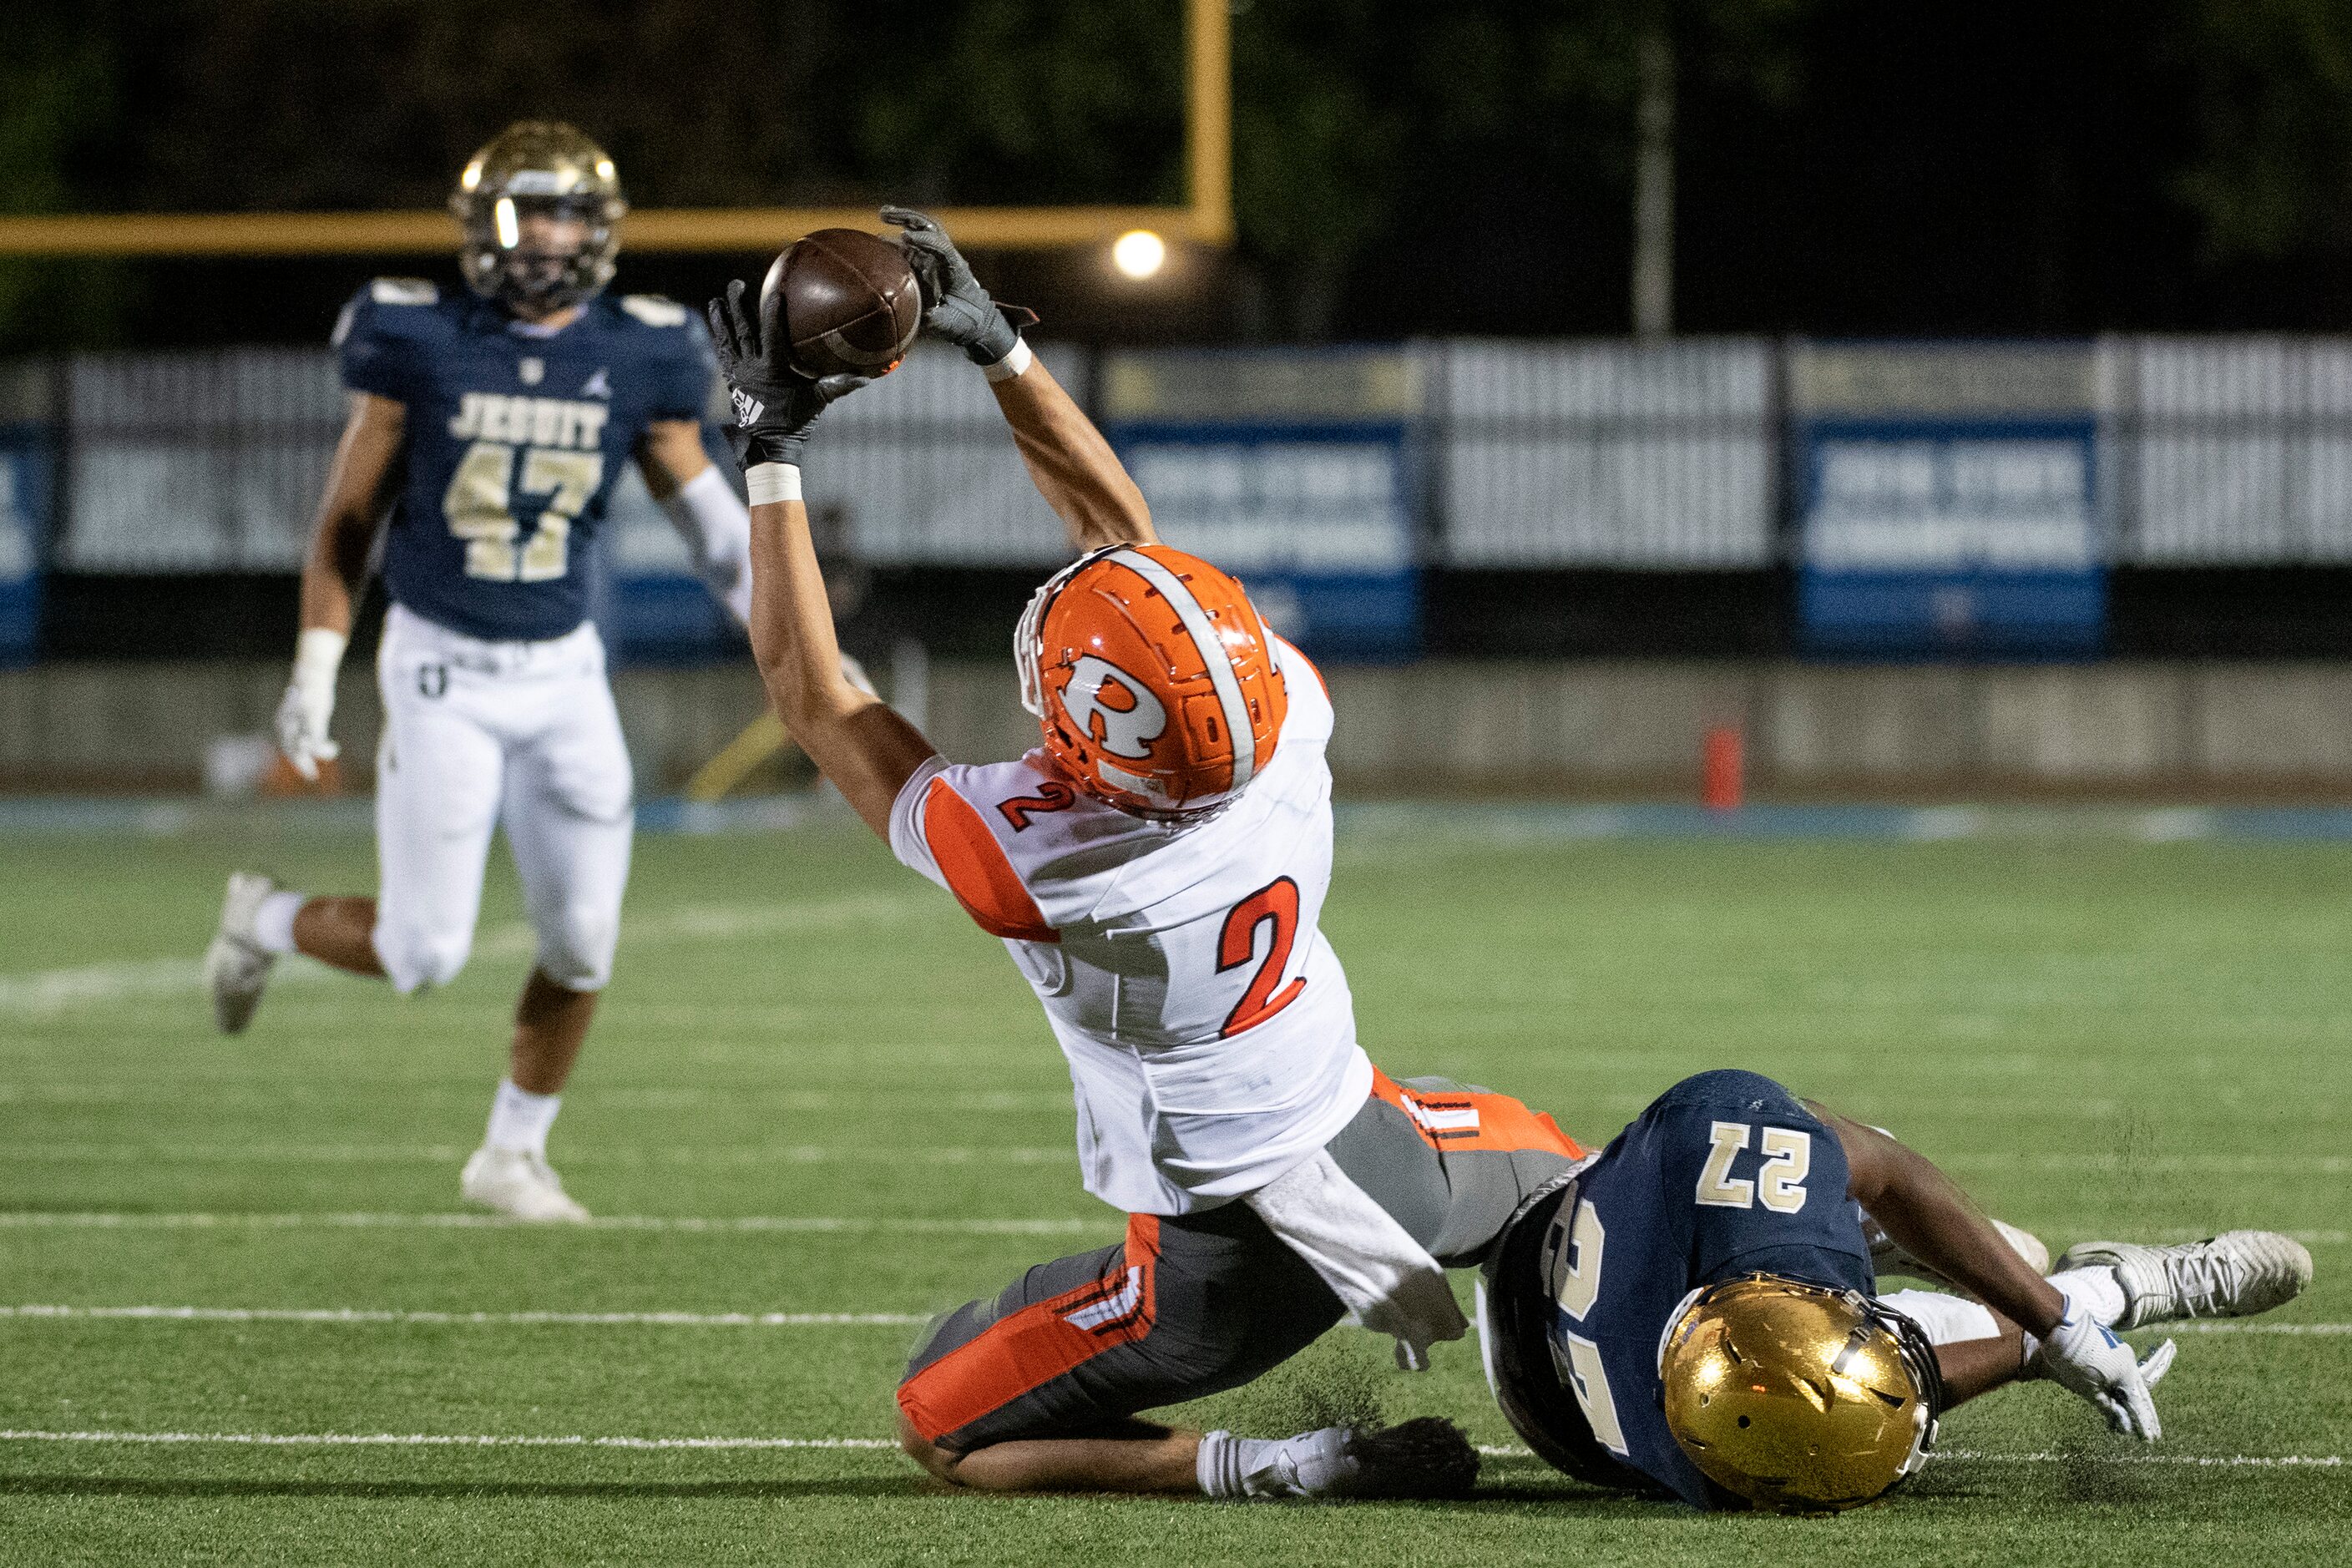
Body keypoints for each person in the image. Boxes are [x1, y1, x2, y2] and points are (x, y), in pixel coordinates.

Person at [708, 216, 2312, 1505]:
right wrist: (1001, 352)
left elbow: (815, 689)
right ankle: (2045, 1291)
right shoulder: (1281, 728)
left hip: (1220, 1258)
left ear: (1072, 748)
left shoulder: (1032, 860)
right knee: (1687, 1205)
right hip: (1396, 1148)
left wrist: (767, 439)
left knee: (941, 1423)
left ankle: (1278, 1462)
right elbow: (1119, 540)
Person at [201, 123, 776, 1221]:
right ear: (478, 227)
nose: (542, 237)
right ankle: (263, 919)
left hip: (562, 674)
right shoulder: (416, 338)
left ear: (599, 232)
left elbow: (709, 527)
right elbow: (348, 519)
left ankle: (510, 1154)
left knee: (584, 939)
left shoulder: (641, 350)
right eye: (522, 213)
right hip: (441, 669)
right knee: (421, 952)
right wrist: (317, 663)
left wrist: (792, 641)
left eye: (562, 214)